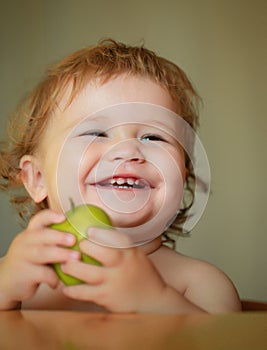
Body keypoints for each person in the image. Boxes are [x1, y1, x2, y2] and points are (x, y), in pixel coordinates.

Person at [0, 39, 241, 313]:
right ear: (37, 178)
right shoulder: (18, 277)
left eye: (154, 136)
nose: (127, 149)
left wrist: (156, 299)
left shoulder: (200, 284)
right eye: (96, 133)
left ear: (182, 175)